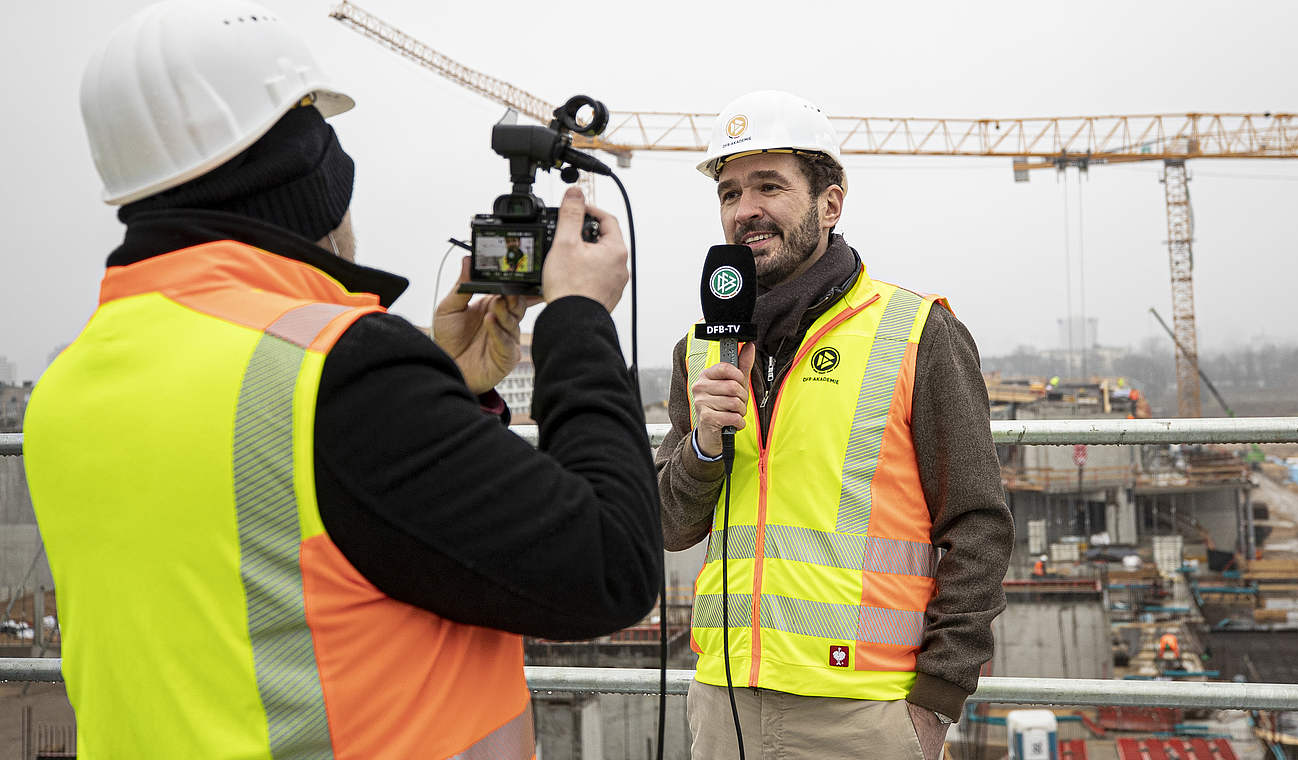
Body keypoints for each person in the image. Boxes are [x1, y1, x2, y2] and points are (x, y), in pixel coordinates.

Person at [22, 2, 660, 757]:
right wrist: (579, 318)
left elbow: (296, 554)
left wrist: (442, 393)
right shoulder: (336, 374)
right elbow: (608, 565)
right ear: (308, 171)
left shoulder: (70, 384)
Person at [656, 90, 1014, 760]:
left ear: (830, 203)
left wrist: (936, 699)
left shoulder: (918, 332)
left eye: (769, 186)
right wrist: (704, 444)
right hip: (724, 702)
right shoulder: (701, 349)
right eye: (730, 193)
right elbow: (672, 526)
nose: (746, 210)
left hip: (864, 713)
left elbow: (979, 524)